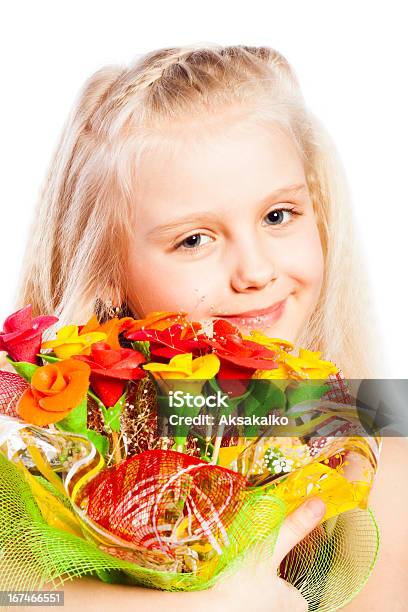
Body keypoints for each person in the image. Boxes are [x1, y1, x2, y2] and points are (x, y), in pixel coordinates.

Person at [2, 43, 408, 610]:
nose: (257, 272)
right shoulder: (47, 446)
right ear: (108, 274)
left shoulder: (382, 460)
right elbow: (18, 597)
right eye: (194, 239)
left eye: (278, 215)